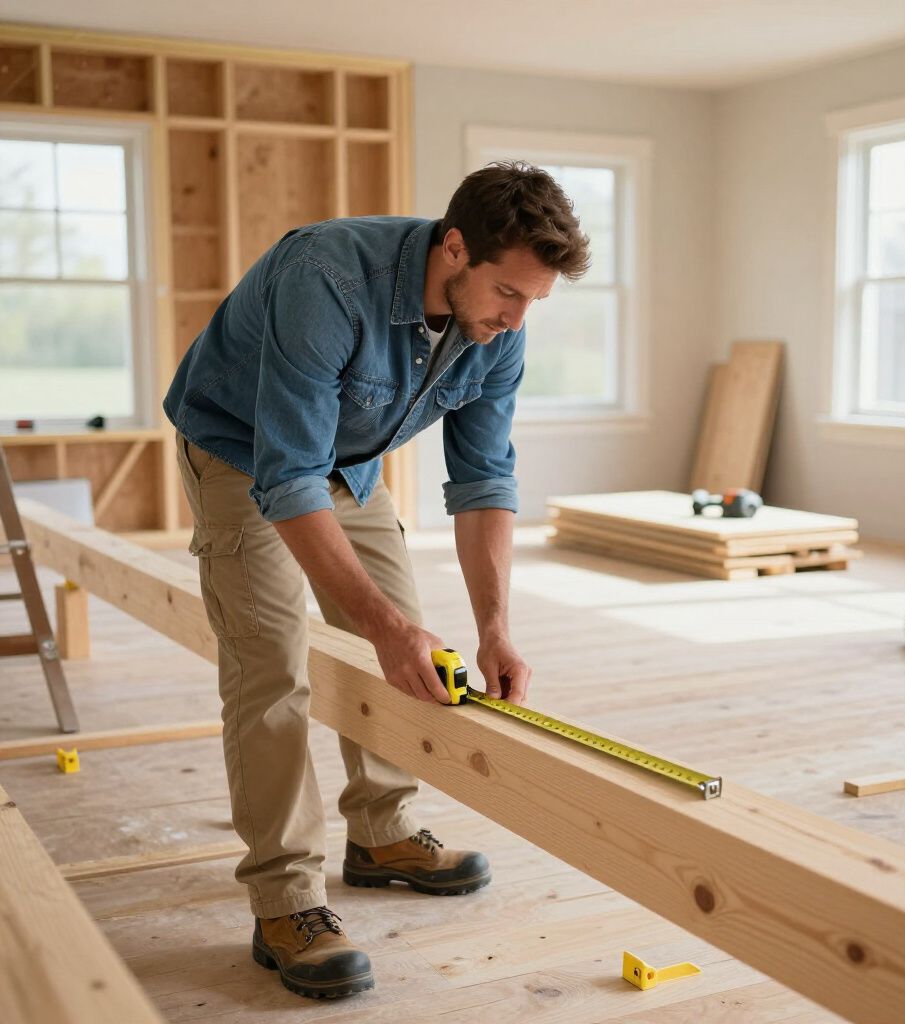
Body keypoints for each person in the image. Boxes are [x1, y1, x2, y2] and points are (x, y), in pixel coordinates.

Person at [163, 160, 590, 999]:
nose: (516, 318)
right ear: (455, 248)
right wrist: (386, 627)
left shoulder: (501, 325)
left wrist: (495, 628)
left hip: (350, 464)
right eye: (509, 292)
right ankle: (285, 898)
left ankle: (383, 831)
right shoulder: (326, 278)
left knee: (408, 652)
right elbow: (286, 477)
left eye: (535, 300)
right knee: (272, 668)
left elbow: (483, 481)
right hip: (241, 450)